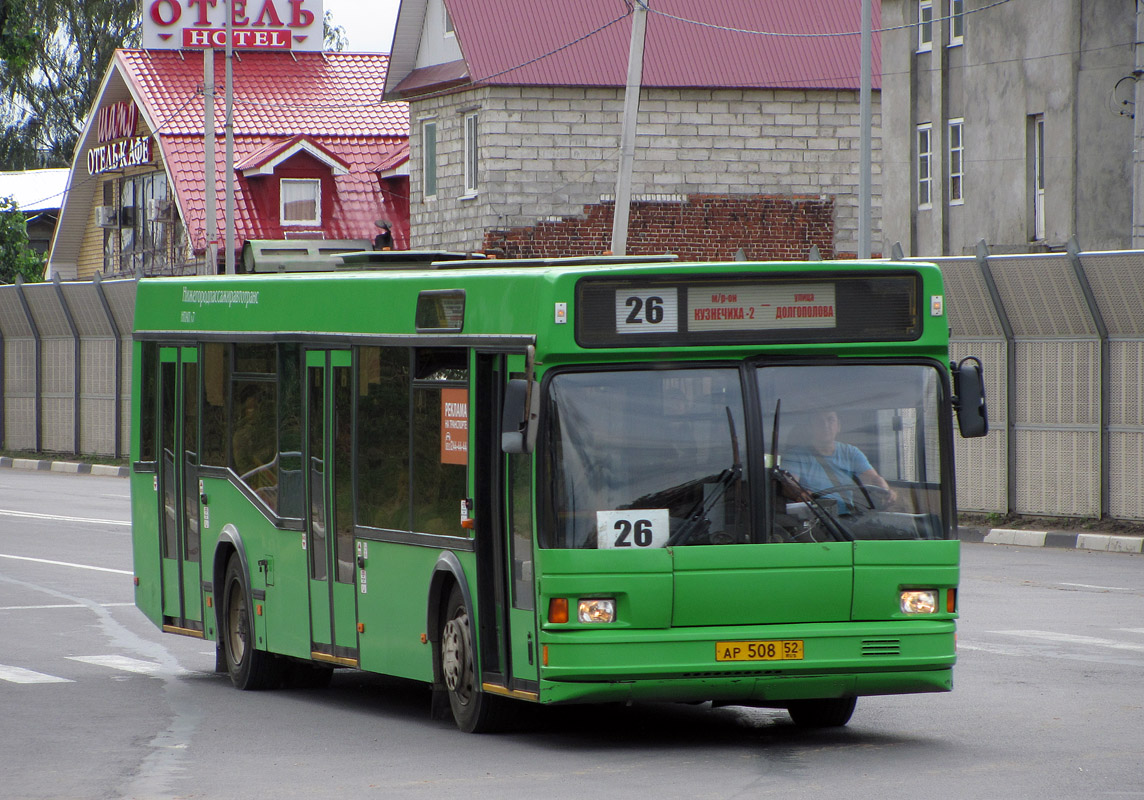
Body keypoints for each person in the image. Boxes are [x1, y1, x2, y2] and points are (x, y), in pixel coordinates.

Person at [781, 409, 897, 509]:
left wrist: (885, 490)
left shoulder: (851, 453)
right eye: (819, 421)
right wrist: (800, 494)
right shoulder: (795, 456)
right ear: (810, 428)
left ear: (838, 426)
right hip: (816, 521)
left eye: (830, 420)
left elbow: (873, 478)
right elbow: (789, 486)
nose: (825, 426)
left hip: (846, 521)